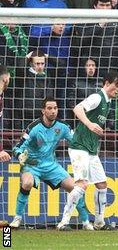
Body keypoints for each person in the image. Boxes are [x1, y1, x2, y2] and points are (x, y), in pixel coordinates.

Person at [8, 97, 92, 230]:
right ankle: (17, 218)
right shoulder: (34, 127)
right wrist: (19, 156)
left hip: (51, 165)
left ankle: (86, 222)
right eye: (49, 108)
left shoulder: (63, 127)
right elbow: (16, 147)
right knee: (27, 183)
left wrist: (87, 147)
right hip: (31, 165)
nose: (53, 111)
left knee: (76, 188)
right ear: (43, 110)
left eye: (55, 108)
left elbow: (75, 142)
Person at [57, 72, 118, 230]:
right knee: (82, 184)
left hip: (91, 150)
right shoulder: (97, 97)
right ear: (106, 83)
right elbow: (77, 108)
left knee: (102, 184)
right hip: (79, 147)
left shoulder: (108, 102)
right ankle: (63, 222)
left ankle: (100, 223)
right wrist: (89, 124)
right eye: (117, 86)